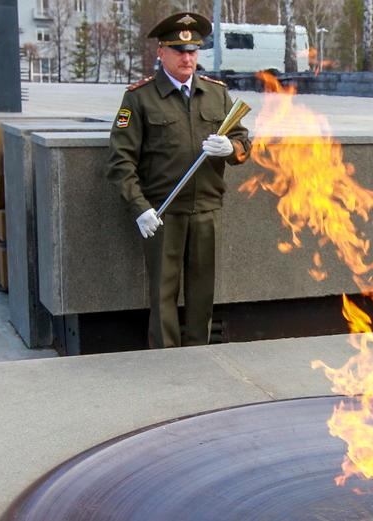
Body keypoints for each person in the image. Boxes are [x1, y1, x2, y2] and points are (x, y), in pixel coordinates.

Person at [106, 12, 251, 349]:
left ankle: (199, 359)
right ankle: (166, 364)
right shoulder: (140, 98)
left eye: (193, 51)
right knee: (163, 294)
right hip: (162, 214)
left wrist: (232, 147)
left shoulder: (216, 94)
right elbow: (120, 160)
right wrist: (139, 207)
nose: (188, 58)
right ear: (161, 52)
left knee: (203, 294)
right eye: (179, 51)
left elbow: (244, 142)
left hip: (206, 210)